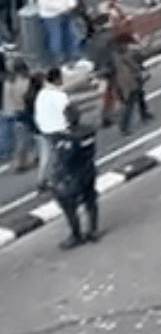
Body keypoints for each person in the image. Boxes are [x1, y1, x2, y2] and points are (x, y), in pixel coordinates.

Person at [52, 103, 98, 249]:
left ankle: (76, 234)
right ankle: (92, 230)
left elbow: (64, 159)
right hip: (88, 169)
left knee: (69, 205)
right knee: (90, 200)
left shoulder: (66, 137)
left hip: (73, 175)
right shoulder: (89, 131)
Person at [34, 0, 81, 68]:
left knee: (70, 35)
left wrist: (71, 4)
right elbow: (44, 2)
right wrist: (61, 8)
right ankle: (58, 61)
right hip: (51, 16)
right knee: (56, 39)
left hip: (66, 12)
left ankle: (74, 57)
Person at [111, 34, 151, 135]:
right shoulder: (127, 54)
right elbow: (137, 62)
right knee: (130, 103)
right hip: (130, 81)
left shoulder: (116, 55)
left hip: (126, 81)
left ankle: (143, 114)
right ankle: (124, 126)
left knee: (139, 96)